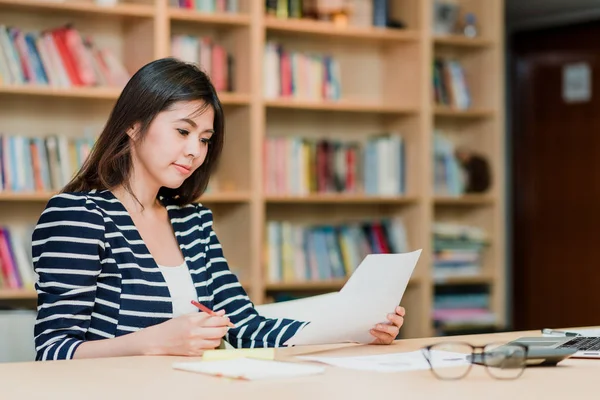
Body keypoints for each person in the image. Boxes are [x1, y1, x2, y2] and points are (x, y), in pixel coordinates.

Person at [32, 58, 406, 361]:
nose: (195, 150)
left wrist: (357, 331)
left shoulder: (192, 223)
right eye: (183, 131)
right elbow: (52, 351)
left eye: (205, 139)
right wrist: (155, 341)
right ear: (133, 125)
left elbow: (245, 328)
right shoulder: (78, 216)